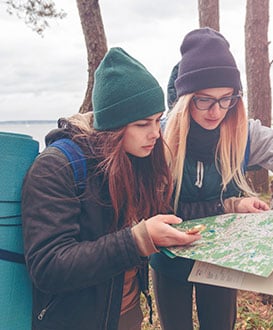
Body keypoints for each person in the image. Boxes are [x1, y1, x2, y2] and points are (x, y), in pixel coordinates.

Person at [150, 27, 273, 330]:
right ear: (185, 98)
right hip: (169, 262)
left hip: (223, 262)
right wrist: (230, 206)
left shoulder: (244, 134)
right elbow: (153, 210)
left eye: (227, 99)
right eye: (204, 100)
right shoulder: (159, 138)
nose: (216, 111)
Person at [21, 47, 201, 330]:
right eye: (143, 123)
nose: (155, 133)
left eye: (157, 120)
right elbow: (48, 266)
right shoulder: (56, 168)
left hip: (127, 314)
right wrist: (137, 241)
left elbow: (163, 213)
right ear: (113, 126)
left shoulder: (137, 158)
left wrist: (228, 208)